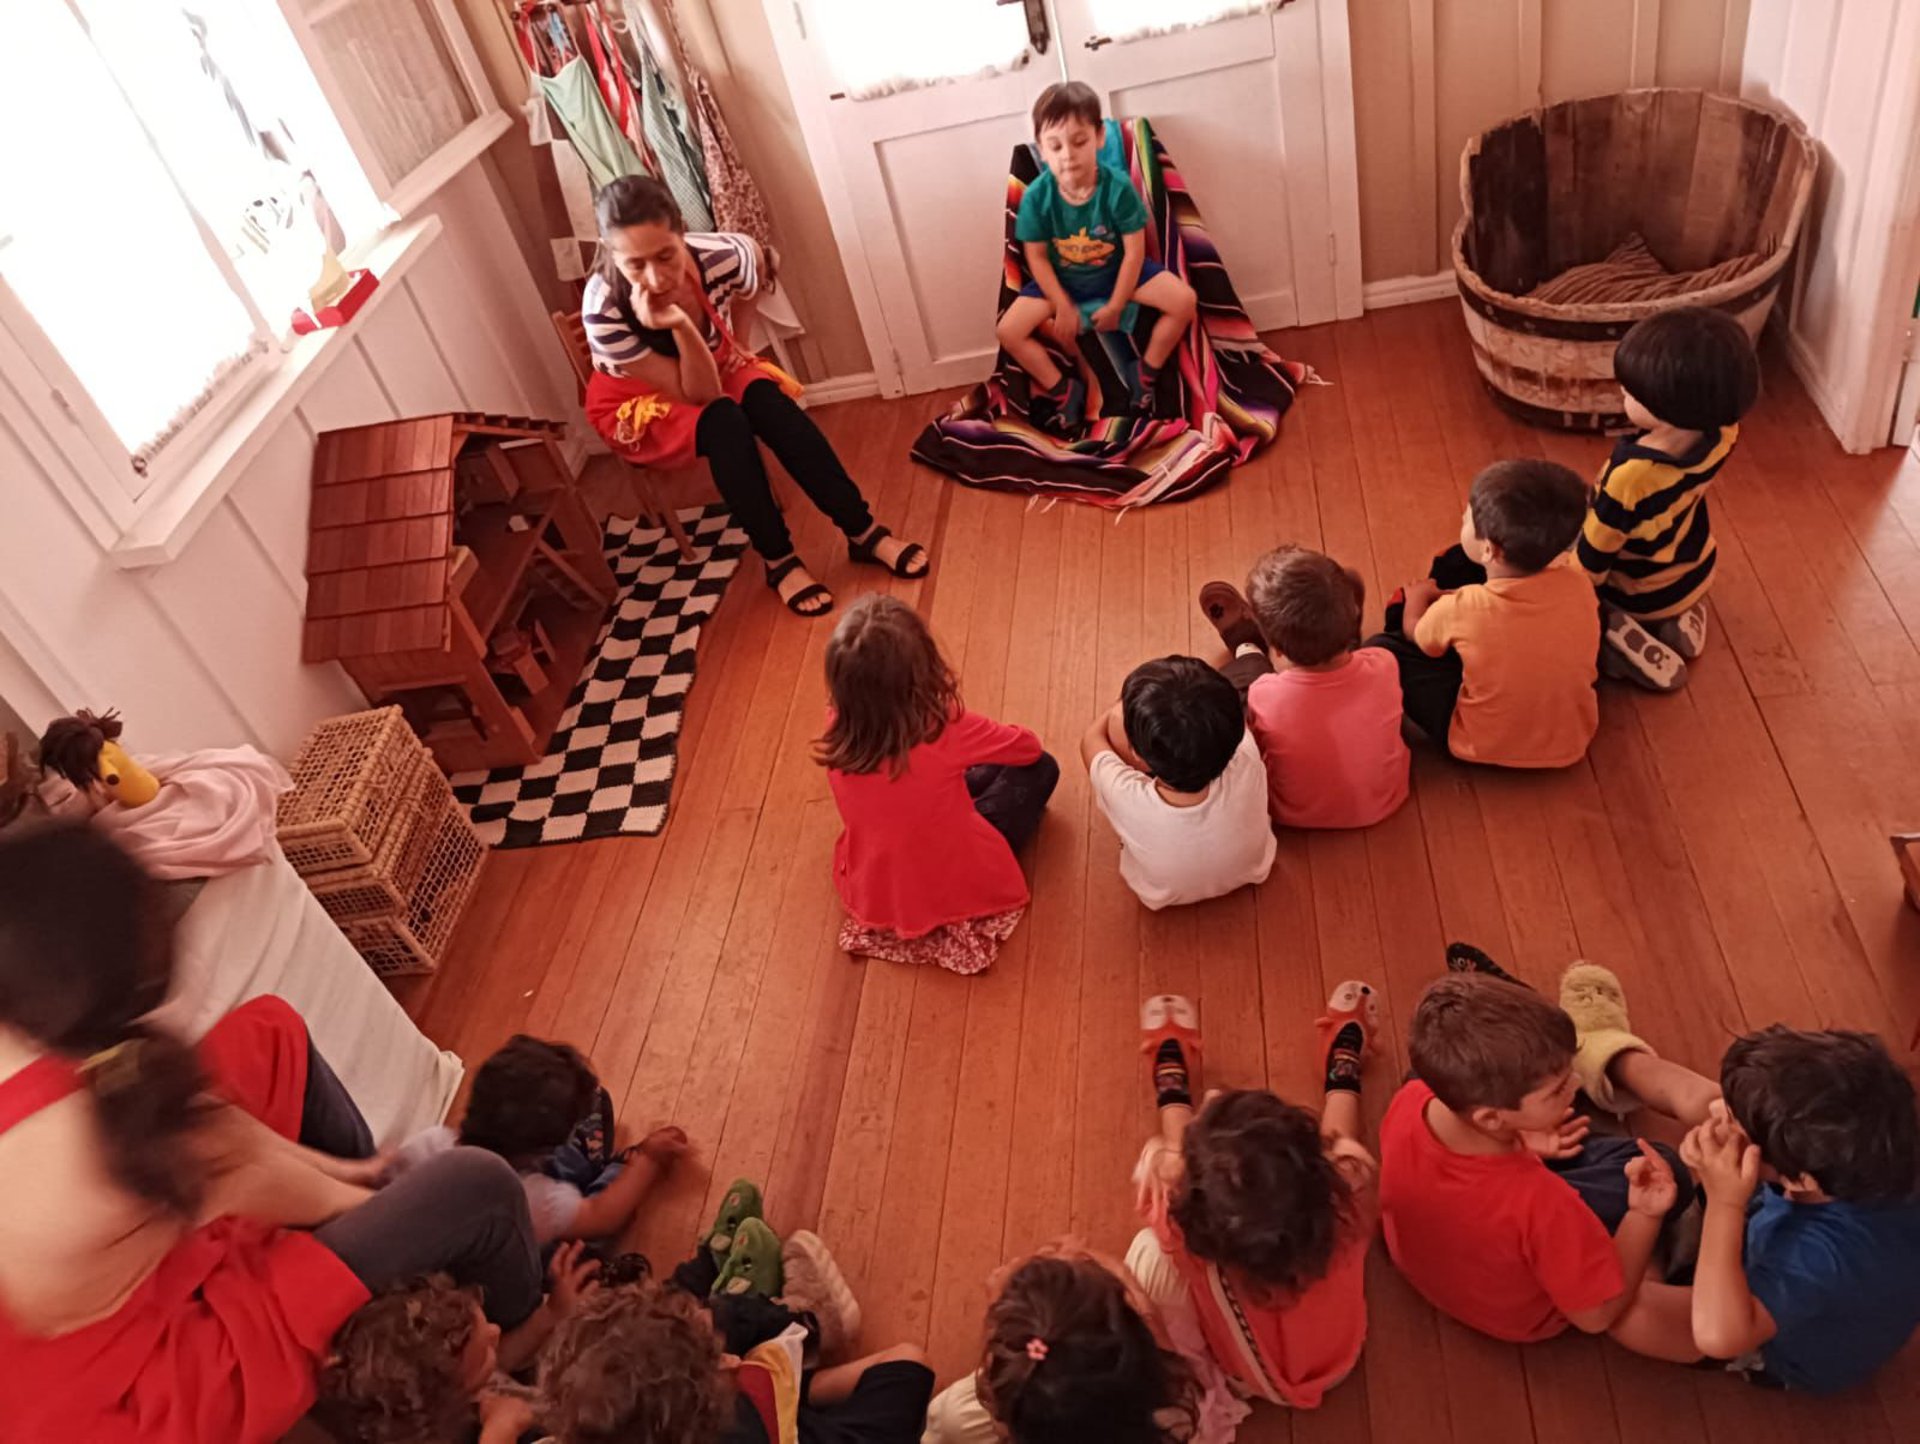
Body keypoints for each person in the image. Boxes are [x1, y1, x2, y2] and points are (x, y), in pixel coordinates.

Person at [0, 824, 546, 1444]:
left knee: (270, 1029)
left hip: (114, 1252)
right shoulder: (81, 1148)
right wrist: (391, 1215)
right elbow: (235, 1170)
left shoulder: (41, 1037)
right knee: (476, 1185)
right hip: (133, 1394)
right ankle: (524, 1326)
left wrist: (350, 1172)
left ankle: (375, 1232)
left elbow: (220, 1139)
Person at [1559, 964, 1920, 1390]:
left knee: (1632, 1316)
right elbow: (1715, 1104)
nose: (1716, 1114)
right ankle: (1607, 1054)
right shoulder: (1854, 1149)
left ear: (1800, 1180)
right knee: (1713, 1105)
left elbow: (1720, 1335)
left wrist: (1724, 1202)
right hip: (1776, 1217)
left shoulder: (1823, 1253)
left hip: (1765, 1328)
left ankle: (1646, 1245)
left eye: (1733, 1120)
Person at [582, 174, 929, 616]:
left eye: (666, 255)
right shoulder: (603, 311)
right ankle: (779, 561)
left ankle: (863, 532)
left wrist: (738, 340)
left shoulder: (728, 254)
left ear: (682, 233)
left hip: (706, 366)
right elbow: (701, 394)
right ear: (611, 255)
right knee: (726, 425)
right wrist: (681, 324)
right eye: (635, 264)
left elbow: (759, 271)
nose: (655, 277)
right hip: (638, 400)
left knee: (776, 410)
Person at [1376, 971, 1697, 1360]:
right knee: (1667, 1166)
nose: (1576, 1084)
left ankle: (1531, 1111)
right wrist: (1644, 1215)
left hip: (1436, 1256)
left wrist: (1522, 1140)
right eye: (1558, 1089)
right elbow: (1595, 1318)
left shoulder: (1412, 1099)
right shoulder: (1543, 1205)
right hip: (1528, 1313)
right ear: (1491, 1120)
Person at [1130, 989, 1379, 1410]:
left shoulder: (1183, 1233)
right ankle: (1344, 1065)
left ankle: (1172, 1081)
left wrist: (1164, 1154)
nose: (1211, 1097)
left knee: (1167, 1182)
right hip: (1338, 1363)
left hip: (1244, 1373)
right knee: (1346, 1152)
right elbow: (1344, 1161)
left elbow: (1168, 1181)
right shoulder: (1347, 1207)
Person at [820, 595, 1059, 975]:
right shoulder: (942, 726)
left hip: (879, 873)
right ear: (923, 668)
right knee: (1044, 768)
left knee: (947, 781)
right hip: (953, 866)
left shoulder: (837, 725)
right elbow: (1028, 748)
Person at [1366, 459, 1599, 768]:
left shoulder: (1464, 606)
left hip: (1476, 743)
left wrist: (1416, 597)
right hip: (1570, 741)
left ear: (1490, 550)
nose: (1463, 517)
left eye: (1467, 517)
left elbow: (1416, 634)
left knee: (1383, 646)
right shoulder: (1579, 582)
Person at [1578, 307, 1761, 691]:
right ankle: (1680, 614)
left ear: (1667, 406)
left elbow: (1595, 555)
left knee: (1568, 580)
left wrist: (1571, 587)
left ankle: (1616, 639)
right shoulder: (1724, 433)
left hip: (1636, 592)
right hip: (1694, 568)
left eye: (1629, 393)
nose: (1622, 395)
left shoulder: (1630, 479)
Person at [997, 81, 1198, 430]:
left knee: (1184, 301)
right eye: (1055, 146)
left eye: (1078, 142)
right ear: (1041, 149)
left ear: (1099, 137)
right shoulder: (1037, 197)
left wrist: (1118, 303)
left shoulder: (1116, 186)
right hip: (1062, 281)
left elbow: (1135, 251)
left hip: (1118, 271)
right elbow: (1037, 258)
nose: (1067, 155)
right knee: (1008, 330)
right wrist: (1061, 303)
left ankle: (1144, 373)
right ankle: (1064, 390)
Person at [535, 1281, 934, 1444]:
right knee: (908, 1361)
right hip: (775, 1429)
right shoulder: (740, 1419)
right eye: (719, 1357)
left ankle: (800, 1376)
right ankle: (806, 1344)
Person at [394, 1033, 688, 1246]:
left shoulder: (430, 1143)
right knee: (592, 1232)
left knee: (579, 1141)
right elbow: (602, 1216)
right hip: (526, 1244)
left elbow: (387, 1173)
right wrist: (650, 1160)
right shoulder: (532, 1200)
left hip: (481, 1214)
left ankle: (587, 1158)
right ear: (538, 1153)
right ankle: (613, 1166)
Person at [1199, 545, 1409, 827]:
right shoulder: (1384, 663)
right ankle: (1341, 637)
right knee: (1370, 653)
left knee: (1246, 679)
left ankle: (1247, 646)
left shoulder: (1266, 693)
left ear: (1278, 651)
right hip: (1385, 799)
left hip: (1295, 812)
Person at [921, 1245, 1208, 1444]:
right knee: (1151, 1250)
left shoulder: (971, 1418)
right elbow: (1152, 1325)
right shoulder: (1170, 1405)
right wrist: (1118, 1272)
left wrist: (1001, 1293)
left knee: (950, 1415)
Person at [314, 1261, 598, 1444]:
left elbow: (501, 1363)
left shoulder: (456, 1387)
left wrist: (551, 1314)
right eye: (486, 1348)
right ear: (449, 1397)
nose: (496, 1331)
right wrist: (499, 1434)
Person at [1080, 655, 1275, 910]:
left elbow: (1090, 739)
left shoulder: (1124, 794)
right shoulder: (1247, 754)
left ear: (1138, 757)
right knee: (1253, 667)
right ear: (1238, 729)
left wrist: (1125, 708)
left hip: (1161, 894)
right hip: (1253, 870)